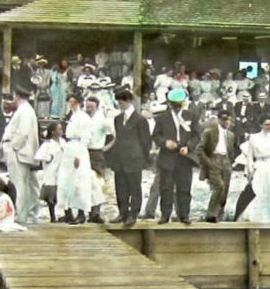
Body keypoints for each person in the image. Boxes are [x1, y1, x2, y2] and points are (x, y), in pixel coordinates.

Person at [152, 88, 199, 225]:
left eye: (180, 103)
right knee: (166, 187)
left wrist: (188, 147)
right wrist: (165, 143)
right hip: (167, 157)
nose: (177, 107)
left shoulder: (191, 116)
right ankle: (165, 215)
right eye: (175, 104)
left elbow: (196, 135)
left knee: (184, 187)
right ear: (170, 103)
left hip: (184, 157)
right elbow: (156, 136)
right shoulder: (162, 118)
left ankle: (184, 215)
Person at [105, 90, 152, 226]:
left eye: (121, 102)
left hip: (134, 158)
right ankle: (123, 212)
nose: (120, 105)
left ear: (129, 101)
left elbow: (146, 141)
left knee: (134, 187)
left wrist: (143, 157)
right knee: (121, 187)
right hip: (120, 158)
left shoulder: (140, 119)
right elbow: (118, 138)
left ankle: (133, 213)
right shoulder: (118, 119)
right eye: (118, 103)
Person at [236, 115, 270, 223]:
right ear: (261, 125)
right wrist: (250, 170)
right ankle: (256, 218)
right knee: (258, 190)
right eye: (266, 124)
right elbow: (250, 157)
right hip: (259, 166)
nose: (268, 127)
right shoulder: (254, 138)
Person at [0, 87, 40, 225]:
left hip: (19, 152)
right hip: (19, 151)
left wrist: (14, 147)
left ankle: (20, 215)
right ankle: (21, 214)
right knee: (21, 184)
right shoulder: (24, 110)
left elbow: (23, 133)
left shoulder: (25, 111)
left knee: (19, 185)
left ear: (18, 96)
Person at [197, 110, 239, 223]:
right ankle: (211, 214)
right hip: (214, 160)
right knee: (218, 186)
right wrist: (209, 162)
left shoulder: (231, 135)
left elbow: (233, 149)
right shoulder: (210, 132)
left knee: (225, 189)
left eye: (229, 119)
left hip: (226, 162)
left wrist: (231, 161)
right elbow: (200, 149)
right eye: (225, 119)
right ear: (219, 120)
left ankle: (219, 214)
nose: (227, 122)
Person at [58, 96, 95, 224]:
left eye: (73, 102)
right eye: (69, 101)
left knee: (80, 182)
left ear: (79, 103)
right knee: (66, 182)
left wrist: (78, 156)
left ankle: (81, 212)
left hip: (78, 148)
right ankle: (67, 211)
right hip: (69, 148)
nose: (71, 104)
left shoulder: (83, 117)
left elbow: (86, 138)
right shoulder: (71, 116)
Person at [33, 122, 65, 223]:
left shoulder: (63, 142)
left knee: (61, 192)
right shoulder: (47, 144)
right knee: (51, 194)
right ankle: (52, 216)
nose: (61, 131)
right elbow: (37, 156)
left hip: (62, 170)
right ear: (53, 131)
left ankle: (65, 213)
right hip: (51, 171)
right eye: (59, 129)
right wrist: (48, 158)